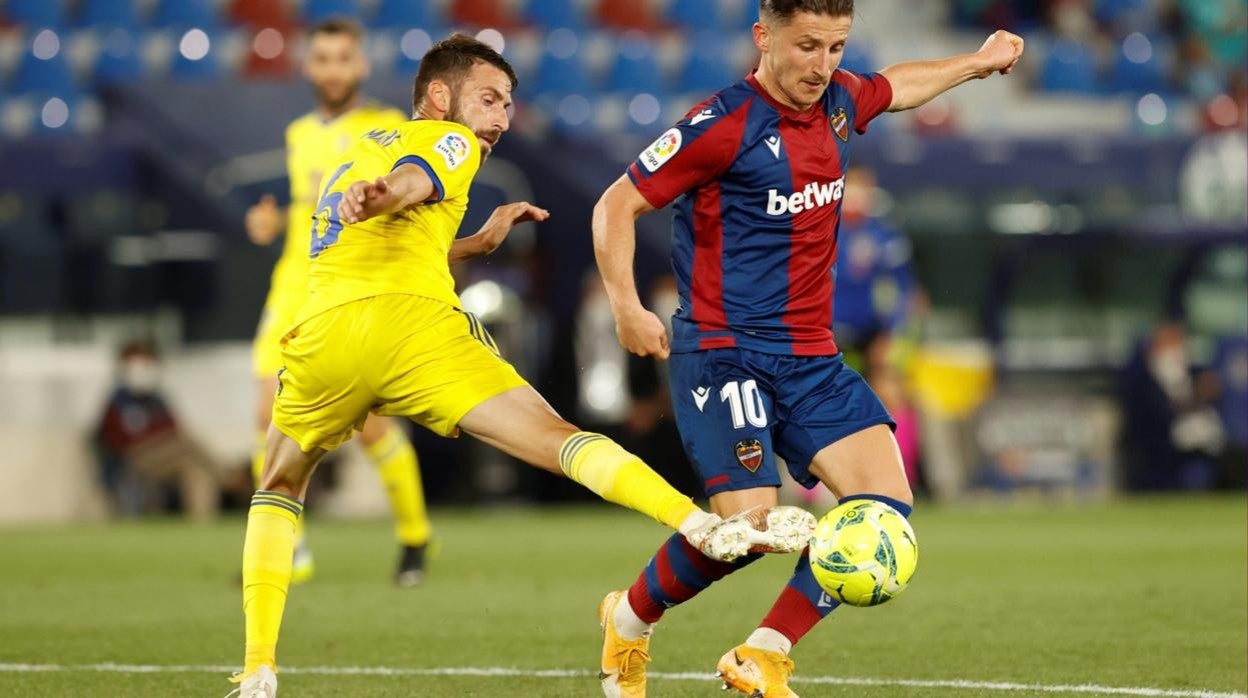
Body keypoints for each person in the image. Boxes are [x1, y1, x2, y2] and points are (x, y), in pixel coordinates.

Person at [230, 34, 814, 698]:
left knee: (278, 482)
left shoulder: (357, 154)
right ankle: (699, 522)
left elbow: (398, 221)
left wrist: (471, 238)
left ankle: (257, 671)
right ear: (442, 98)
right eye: (490, 99)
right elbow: (412, 184)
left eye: (508, 104)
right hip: (411, 331)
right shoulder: (447, 141)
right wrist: (388, 196)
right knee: (554, 437)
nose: (502, 119)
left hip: (324, 335)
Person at [591, 1, 1023, 695]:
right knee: (751, 532)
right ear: (765, 37)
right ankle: (631, 619)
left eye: (836, 47)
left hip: (810, 356)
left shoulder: (841, 101)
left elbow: (896, 86)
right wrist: (624, 306)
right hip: (723, 351)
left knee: (885, 503)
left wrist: (975, 64)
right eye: (808, 46)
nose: (823, 66)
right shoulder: (721, 123)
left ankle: (763, 653)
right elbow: (615, 204)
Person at [243, 18, 433, 587]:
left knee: (369, 426)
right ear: (308, 67)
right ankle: (291, 553)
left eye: (342, 58)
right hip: (293, 285)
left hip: (351, 286)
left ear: (361, 65)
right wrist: (271, 221)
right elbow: (310, 207)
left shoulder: (388, 127)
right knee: (263, 416)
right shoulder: (299, 132)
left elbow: (398, 203)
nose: (332, 69)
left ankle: (415, 538)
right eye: (322, 59)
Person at [94, 341, 220, 520]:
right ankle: (230, 477)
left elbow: (173, 427)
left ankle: (201, 525)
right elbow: (113, 440)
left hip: (165, 456)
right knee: (186, 442)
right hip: (135, 458)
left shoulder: (157, 399)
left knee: (195, 470)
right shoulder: (117, 401)